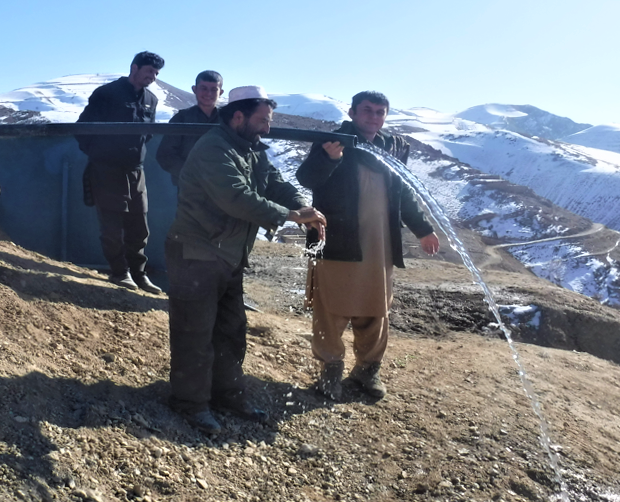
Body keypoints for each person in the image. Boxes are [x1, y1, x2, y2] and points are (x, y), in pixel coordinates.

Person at [166, 85, 327, 434]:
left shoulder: (250, 148)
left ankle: (227, 395)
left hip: (228, 255)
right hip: (196, 254)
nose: (267, 128)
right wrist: (291, 216)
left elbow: (274, 182)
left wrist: (303, 205)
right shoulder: (213, 149)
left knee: (230, 331)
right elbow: (236, 198)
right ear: (237, 116)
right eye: (262, 120)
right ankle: (190, 403)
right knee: (195, 333)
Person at [296, 90, 440, 401]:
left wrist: (423, 230)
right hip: (335, 238)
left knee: (376, 308)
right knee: (331, 306)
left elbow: (403, 193)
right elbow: (306, 178)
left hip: (379, 241)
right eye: (367, 110)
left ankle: (366, 370)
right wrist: (329, 159)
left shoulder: (392, 148)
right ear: (352, 112)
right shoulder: (332, 141)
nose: (373, 117)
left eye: (379, 112)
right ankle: (330, 371)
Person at [76, 51, 164, 294]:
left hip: (136, 171)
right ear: (134, 68)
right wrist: (100, 155)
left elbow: (149, 133)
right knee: (112, 225)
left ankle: (139, 273)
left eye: (156, 74)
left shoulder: (151, 99)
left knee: (139, 225)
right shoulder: (107, 94)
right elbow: (82, 129)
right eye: (149, 72)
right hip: (107, 170)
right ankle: (119, 272)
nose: (152, 78)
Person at [156, 70, 223, 185]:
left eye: (213, 89)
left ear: (220, 92)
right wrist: (191, 174)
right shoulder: (181, 118)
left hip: (222, 185)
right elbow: (166, 155)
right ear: (194, 89)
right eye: (204, 88)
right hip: (190, 188)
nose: (208, 93)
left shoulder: (228, 119)